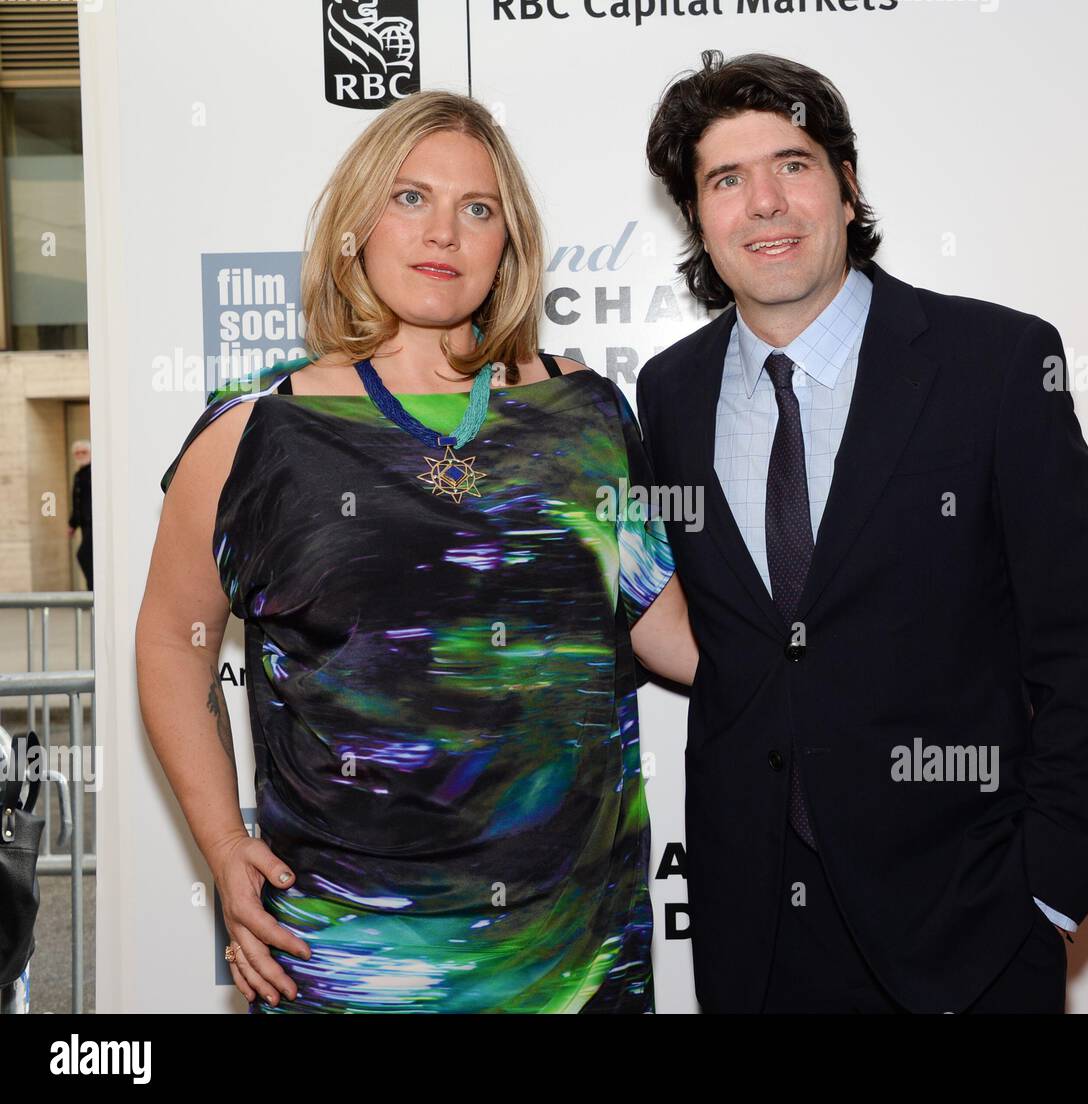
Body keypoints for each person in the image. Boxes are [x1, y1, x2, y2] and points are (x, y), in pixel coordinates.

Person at [136, 90, 694, 1014]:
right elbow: (171, 642)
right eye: (410, 198)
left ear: (508, 242)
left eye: (478, 208)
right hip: (348, 957)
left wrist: (838, 641)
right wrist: (224, 845)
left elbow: (667, 628)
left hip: (572, 957)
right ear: (357, 222)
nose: (444, 232)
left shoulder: (586, 412)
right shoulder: (256, 433)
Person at [637, 51, 1088, 1014]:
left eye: (792, 165)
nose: (765, 203)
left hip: (970, 923)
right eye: (726, 180)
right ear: (698, 217)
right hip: (754, 936)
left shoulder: (996, 362)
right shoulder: (669, 392)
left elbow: (1080, 646)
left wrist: (1050, 885)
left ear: (847, 184)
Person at [67, 439, 92, 589]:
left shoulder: (93, 472)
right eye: (77, 453)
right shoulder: (78, 474)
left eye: (84, 452)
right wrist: (72, 524)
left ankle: (93, 590)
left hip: (94, 523)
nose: (80, 455)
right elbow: (77, 503)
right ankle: (92, 590)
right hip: (84, 524)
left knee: (84, 555)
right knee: (89, 557)